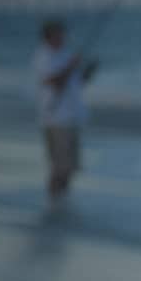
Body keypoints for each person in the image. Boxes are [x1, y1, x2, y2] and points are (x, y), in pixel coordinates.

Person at [33, 18, 97, 204]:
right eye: (57, 33)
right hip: (55, 119)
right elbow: (54, 82)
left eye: (62, 33)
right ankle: (53, 200)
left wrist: (87, 72)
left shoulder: (64, 55)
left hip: (72, 117)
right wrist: (71, 65)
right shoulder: (43, 57)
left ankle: (62, 199)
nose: (61, 37)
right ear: (47, 37)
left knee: (70, 166)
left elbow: (76, 83)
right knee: (59, 166)